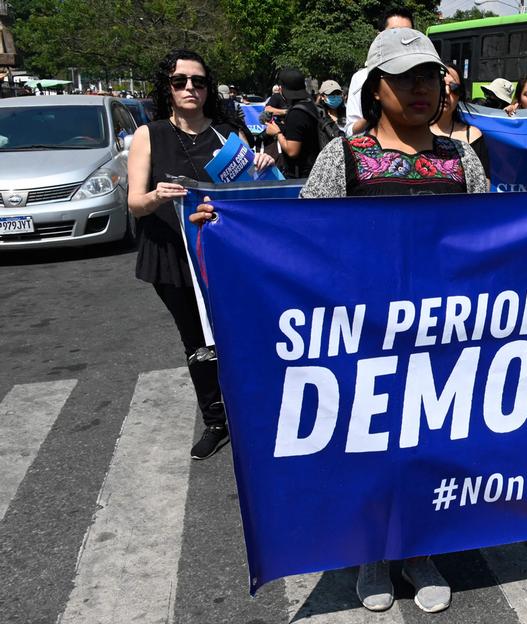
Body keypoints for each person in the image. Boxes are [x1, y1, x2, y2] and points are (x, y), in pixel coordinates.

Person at [194, 28, 486, 613]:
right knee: (375, 451)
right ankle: (373, 553)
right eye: (404, 79)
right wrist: (224, 229)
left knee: (432, 445)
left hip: (442, 336)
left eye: (429, 76)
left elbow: (493, 235)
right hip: (364, 338)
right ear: (377, 89)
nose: (420, 89)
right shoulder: (343, 157)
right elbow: (302, 242)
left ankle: (420, 549)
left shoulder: (460, 157)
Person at [126, 49, 275, 460]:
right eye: (180, 81)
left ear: (209, 88)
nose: (190, 88)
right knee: (196, 341)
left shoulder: (228, 133)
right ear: (168, 88)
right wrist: (157, 195)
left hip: (224, 256)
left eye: (198, 81)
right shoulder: (149, 134)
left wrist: (262, 167)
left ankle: (251, 413)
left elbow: (250, 195)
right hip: (172, 256)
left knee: (239, 334)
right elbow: (134, 203)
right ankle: (215, 419)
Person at [346, 6, 415, 136]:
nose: (401, 39)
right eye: (394, 32)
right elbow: (350, 131)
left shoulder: (423, 77)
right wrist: (371, 114)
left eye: (407, 33)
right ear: (379, 36)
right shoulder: (361, 78)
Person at [433, 62, 491, 177]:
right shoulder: (411, 132)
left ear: (460, 94)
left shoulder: (473, 136)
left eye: (454, 87)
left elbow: (483, 186)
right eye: (441, 84)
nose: (447, 92)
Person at [265, 68, 320, 178]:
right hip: (315, 169)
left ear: (282, 89)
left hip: (301, 176)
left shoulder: (296, 114)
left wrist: (277, 133)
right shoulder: (310, 106)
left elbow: (292, 151)